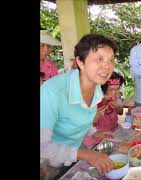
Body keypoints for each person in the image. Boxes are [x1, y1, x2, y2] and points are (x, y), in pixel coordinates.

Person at [40, 34, 116, 177]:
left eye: (111, 60)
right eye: (99, 59)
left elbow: (79, 115)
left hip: (74, 149)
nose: (107, 66)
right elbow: (42, 147)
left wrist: (92, 131)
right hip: (47, 163)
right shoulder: (51, 92)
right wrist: (87, 155)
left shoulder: (96, 86)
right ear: (80, 62)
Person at [83, 72, 124, 147]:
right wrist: (97, 115)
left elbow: (120, 112)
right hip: (95, 141)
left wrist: (117, 106)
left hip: (113, 133)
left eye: (117, 89)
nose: (114, 93)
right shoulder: (90, 101)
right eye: (110, 90)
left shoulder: (117, 96)